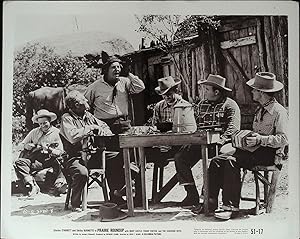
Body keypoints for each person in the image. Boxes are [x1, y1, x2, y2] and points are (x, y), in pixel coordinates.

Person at [210, 72, 288, 220]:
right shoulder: (259, 110)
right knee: (217, 160)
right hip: (255, 151)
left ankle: (231, 207)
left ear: (261, 92)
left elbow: (284, 139)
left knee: (231, 161)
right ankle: (210, 202)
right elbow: (256, 134)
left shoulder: (279, 112)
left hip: (269, 155)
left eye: (254, 89)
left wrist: (260, 139)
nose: (251, 91)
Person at [174, 74, 241, 207]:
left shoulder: (230, 105)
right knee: (180, 157)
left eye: (206, 89)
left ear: (216, 92)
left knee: (217, 159)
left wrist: (220, 141)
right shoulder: (201, 105)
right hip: (201, 143)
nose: (204, 92)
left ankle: (211, 197)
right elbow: (196, 125)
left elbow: (232, 129)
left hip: (221, 144)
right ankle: (191, 194)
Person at [59, 90, 127, 212]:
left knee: (117, 157)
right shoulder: (66, 118)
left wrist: (101, 130)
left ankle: (116, 194)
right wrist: (90, 128)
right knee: (82, 173)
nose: (86, 101)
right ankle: (75, 203)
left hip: (92, 155)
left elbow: (105, 127)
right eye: (83, 100)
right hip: (75, 157)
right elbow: (72, 137)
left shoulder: (88, 115)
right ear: (76, 105)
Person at [84, 51, 145, 134]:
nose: (117, 69)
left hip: (123, 123)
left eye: (118, 67)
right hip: (103, 125)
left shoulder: (125, 82)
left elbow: (140, 87)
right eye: (113, 67)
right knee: (108, 147)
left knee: (127, 145)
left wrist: (128, 74)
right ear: (106, 70)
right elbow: (85, 105)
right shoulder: (94, 87)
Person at [145, 76, 197, 168]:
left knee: (182, 155)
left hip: (181, 144)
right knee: (143, 152)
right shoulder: (159, 106)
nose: (166, 96)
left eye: (169, 93)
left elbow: (189, 131)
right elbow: (154, 128)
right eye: (163, 94)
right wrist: (161, 143)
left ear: (175, 90)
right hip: (163, 144)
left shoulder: (185, 106)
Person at [14, 109, 66, 197]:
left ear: (50, 121)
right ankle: (32, 185)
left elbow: (61, 151)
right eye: (40, 124)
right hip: (37, 160)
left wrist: (49, 149)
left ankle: (60, 184)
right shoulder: (34, 132)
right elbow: (21, 145)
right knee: (19, 162)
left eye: (45, 123)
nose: (42, 126)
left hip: (52, 160)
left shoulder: (57, 133)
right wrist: (26, 146)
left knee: (63, 161)